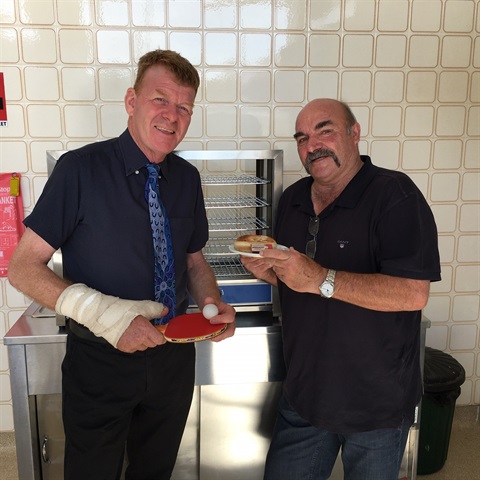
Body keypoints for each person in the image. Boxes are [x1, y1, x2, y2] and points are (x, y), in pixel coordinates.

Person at [8, 49, 236, 480]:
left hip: (172, 358)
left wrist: (212, 302)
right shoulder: (79, 171)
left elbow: (193, 259)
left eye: (184, 106)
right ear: (131, 101)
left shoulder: (187, 179)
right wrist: (107, 317)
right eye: (160, 99)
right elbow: (23, 267)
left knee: (156, 470)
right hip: (100, 359)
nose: (172, 115)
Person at [241, 98, 440, 480]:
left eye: (325, 130)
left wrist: (319, 278)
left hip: (375, 405)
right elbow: (301, 282)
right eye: (302, 138)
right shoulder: (293, 199)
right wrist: (270, 272)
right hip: (305, 395)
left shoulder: (394, 195)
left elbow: (413, 293)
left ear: (354, 133)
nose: (312, 145)